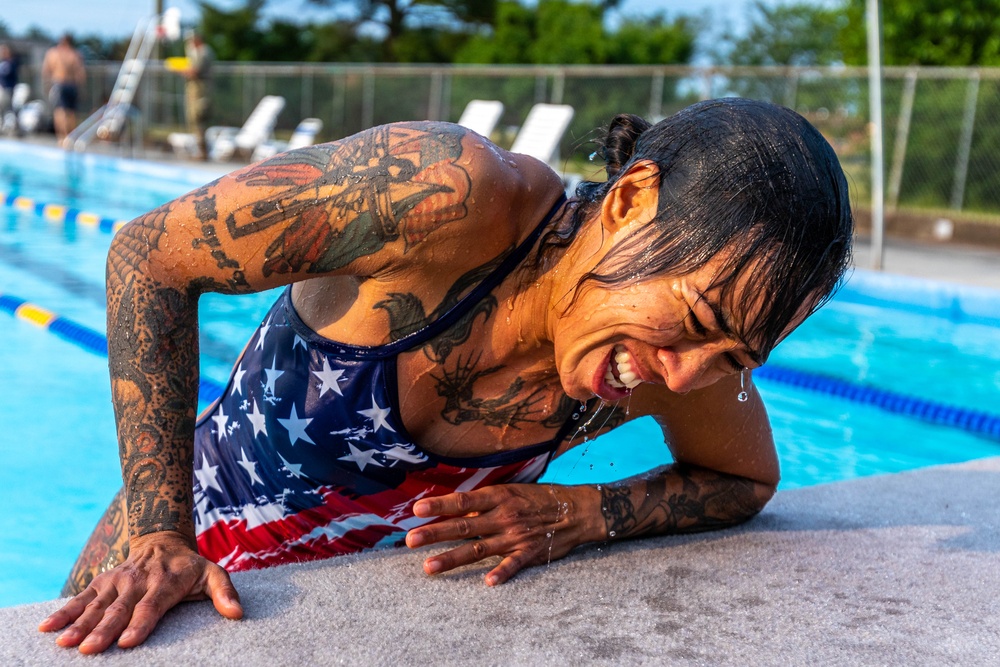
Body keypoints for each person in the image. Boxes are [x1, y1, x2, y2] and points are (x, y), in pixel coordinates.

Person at [39, 98, 853, 654]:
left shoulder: (674, 363)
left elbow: (744, 478)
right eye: (701, 322)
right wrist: (158, 533)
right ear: (634, 199)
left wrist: (581, 511)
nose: (685, 379)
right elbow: (151, 258)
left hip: (335, 624)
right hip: (157, 581)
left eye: (737, 358)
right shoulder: (444, 195)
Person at [41, 34, 86, 144]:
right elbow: (81, 73)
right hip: (72, 85)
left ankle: (62, 138)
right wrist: (81, 88)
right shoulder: (75, 54)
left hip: (59, 84)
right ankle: (71, 137)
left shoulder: (53, 53)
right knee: (71, 112)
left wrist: (47, 85)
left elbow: (45, 70)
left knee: (60, 111)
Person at [180, 31, 213, 159]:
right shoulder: (198, 52)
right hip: (197, 92)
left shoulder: (204, 52)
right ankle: (200, 151)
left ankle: (203, 152)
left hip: (201, 92)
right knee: (194, 120)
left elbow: (195, 71)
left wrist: (179, 69)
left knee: (199, 119)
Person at [0, 44, 18, 124]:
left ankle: (14, 125)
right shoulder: (2, 63)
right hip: (2, 89)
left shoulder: (11, 63)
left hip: (8, 89)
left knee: (9, 109)